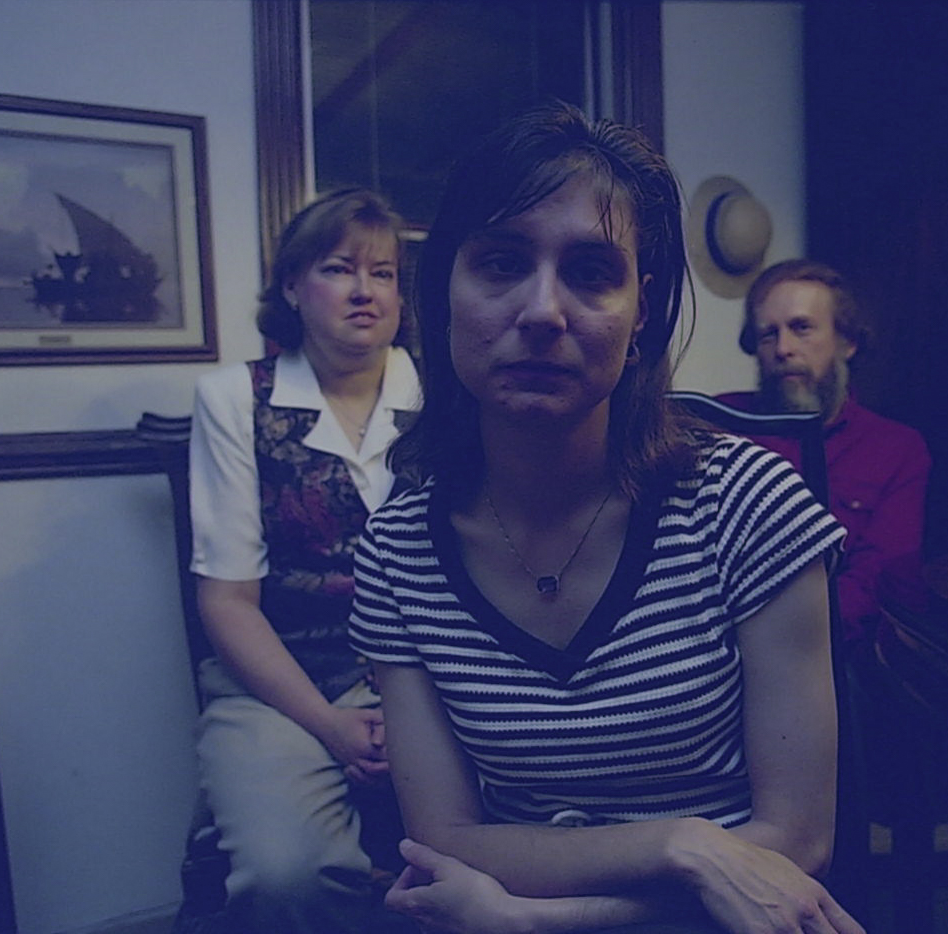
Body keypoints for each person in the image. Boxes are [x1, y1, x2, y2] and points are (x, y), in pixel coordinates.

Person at [349, 102, 866, 934]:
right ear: (441, 290)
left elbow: (797, 842)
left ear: (639, 313)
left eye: (591, 272)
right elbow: (444, 838)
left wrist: (540, 923)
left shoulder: (748, 507)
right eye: (500, 262)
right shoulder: (397, 551)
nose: (542, 311)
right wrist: (683, 844)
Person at [187, 187, 421, 933]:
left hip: (433, 676)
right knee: (285, 875)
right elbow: (227, 602)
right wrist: (328, 723)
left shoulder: (444, 392)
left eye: (382, 273)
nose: (364, 291)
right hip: (280, 684)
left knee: (521, 836)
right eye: (338, 269)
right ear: (291, 286)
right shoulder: (234, 398)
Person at [717, 259, 929, 651]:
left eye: (801, 328)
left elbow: (878, 582)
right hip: (719, 653)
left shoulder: (896, 448)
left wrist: (780, 639)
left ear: (847, 342)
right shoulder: (718, 421)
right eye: (768, 334)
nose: (783, 349)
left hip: (832, 655)